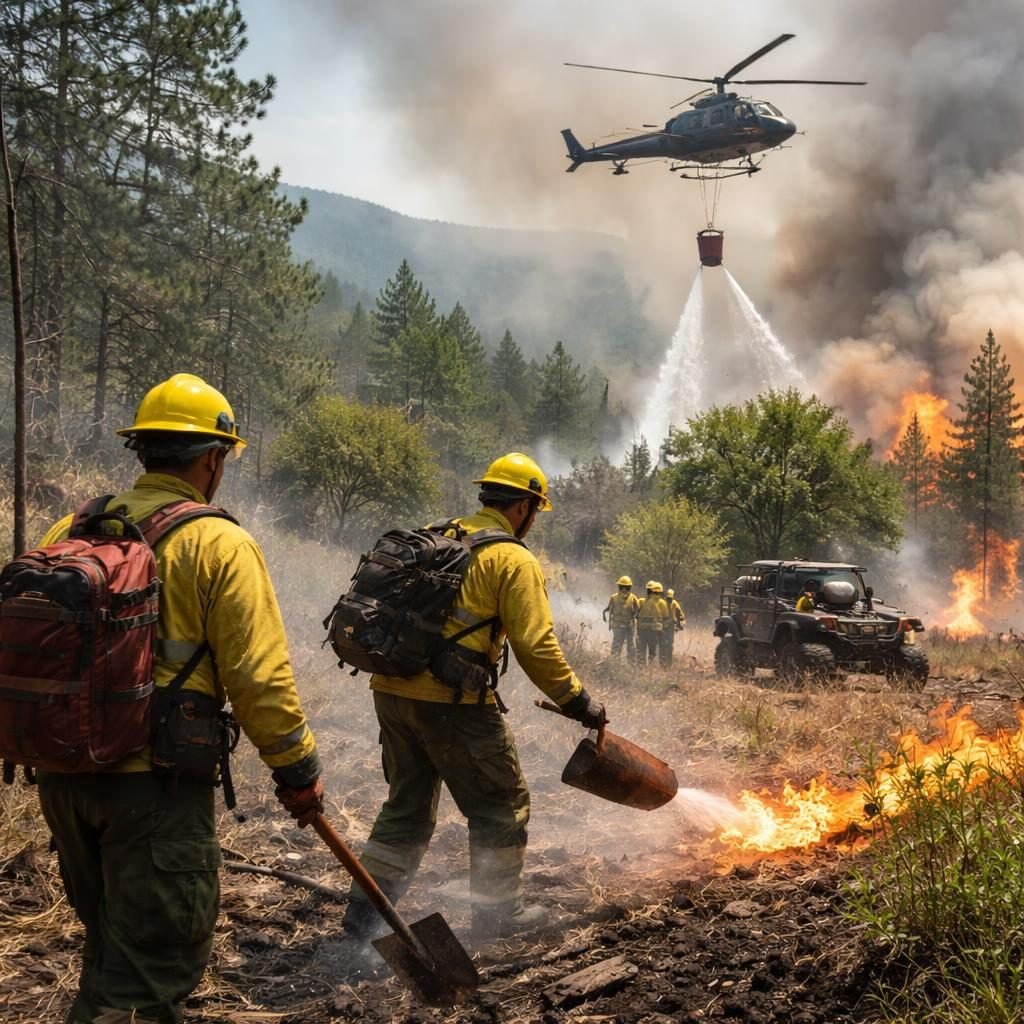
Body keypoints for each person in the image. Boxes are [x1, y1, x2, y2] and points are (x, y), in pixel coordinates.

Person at [35, 374, 323, 1024]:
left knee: (112, 951)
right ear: (212, 459)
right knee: (144, 981)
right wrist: (298, 769)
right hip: (153, 791)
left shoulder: (71, 528)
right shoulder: (219, 543)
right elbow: (260, 679)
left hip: (63, 778)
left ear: (142, 449)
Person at [343, 452, 608, 942]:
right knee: (501, 806)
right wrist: (577, 700)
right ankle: (498, 916)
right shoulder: (512, 558)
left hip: (391, 690)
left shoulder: (438, 533)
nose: (533, 520)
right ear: (524, 506)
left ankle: (364, 914)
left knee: (405, 807)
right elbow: (536, 645)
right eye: (535, 510)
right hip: (453, 707)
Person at [602, 575, 639, 661]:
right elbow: (638, 611)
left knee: (620, 645)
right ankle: (627, 662)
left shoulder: (615, 597)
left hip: (623, 626)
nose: (624, 589)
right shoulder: (631, 597)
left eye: (626, 587)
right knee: (627, 645)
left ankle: (617, 662)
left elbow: (637, 611)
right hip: (624, 626)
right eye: (623, 587)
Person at [635, 580, 668, 667]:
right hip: (654, 631)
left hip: (642, 629)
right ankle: (651, 665)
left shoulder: (641, 601)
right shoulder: (662, 603)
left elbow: (635, 614)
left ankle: (641, 666)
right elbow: (665, 617)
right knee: (653, 650)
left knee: (641, 649)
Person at [660, 588, 686, 666]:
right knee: (665, 644)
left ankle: (667, 662)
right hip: (664, 626)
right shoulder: (667, 603)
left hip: (669, 626)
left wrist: (679, 623)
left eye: (670, 598)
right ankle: (664, 662)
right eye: (668, 598)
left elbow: (680, 615)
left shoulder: (672, 603)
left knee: (668, 644)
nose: (669, 600)